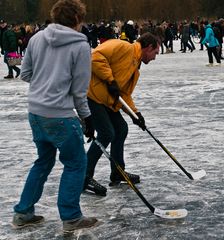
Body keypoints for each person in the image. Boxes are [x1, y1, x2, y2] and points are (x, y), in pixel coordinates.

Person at [12, 0, 98, 232]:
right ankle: (71, 217)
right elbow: (80, 90)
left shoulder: (37, 38)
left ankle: (23, 212)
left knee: (43, 161)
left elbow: (26, 73)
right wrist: (87, 118)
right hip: (60, 115)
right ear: (77, 20)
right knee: (76, 163)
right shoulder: (80, 46)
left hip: (36, 112)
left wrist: (44, 85)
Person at [83, 32, 160, 196]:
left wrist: (135, 114)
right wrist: (110, 80)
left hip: (107, 100)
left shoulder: (135, 66)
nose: (155, 58)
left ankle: (118, 172)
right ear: (148, 47)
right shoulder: (123, 47)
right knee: (106, 133)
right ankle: (84, 176)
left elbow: (123, 94)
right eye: (155, 53)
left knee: (121, 129)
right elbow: (94, 57)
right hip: (92, 95)